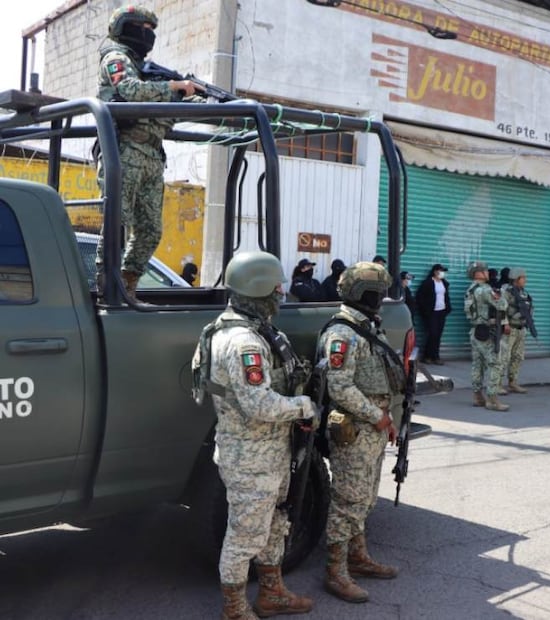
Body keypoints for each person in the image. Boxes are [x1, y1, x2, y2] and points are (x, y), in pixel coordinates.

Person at [190, 251, 317, 620]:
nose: (281, 294)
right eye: (277, 288)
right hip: (250, 457)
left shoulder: (247, 329)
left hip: (270, 451)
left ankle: (272, 593)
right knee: (244, 535)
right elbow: (258, 403)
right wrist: (304, 406)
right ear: (260, 289)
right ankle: (234, 609)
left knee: (275, 524)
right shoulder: (243, 341)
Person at [95, 5, 204, 301]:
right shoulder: (116, 59)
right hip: (124, 151)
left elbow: (169, 105)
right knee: (117, 224)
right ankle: (107, 287)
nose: (149, 36)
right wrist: (174, 86)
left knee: (150, 230)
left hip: (152, 155)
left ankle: (128, 284)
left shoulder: (146, 70)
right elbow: (130, 90)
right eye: (144, 29)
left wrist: (198, 98)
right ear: (127, 28)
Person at [316, 262, 403, 604]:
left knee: (365, 498)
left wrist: (386, 419)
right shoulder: (343, 333)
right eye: (379, 292)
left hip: (374, 425)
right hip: (355, 428)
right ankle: (336, 573)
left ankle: (358, 557)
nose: (382, 298)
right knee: (348, 501)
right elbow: (339, 387)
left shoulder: (367, 326)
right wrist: (376, 416)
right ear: (366, 294)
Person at [465, 261, 509, 411]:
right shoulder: (485, 290)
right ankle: (492, 399)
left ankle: (477, 396)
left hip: (475, 331)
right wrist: (501, 296)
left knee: (477, 364)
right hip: (487, 332)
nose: (488, 273)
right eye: (485, 270)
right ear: (479, 273)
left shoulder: (471, 289)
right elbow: (502, 305)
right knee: (496, 364)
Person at [501, 268, 535, 394]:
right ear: (516, 278)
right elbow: (501, 310)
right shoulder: (506, 292)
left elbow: (529, 308)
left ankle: (513, 382)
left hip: (521, 329)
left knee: (518, 357)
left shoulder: (524, 293)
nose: (525, 280)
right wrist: (505, 324)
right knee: (504, 357)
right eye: (523, 278)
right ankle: (497, 384)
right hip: (510, 329)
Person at [416, 263, 451, 365]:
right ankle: (427, 356)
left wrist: (447, 308)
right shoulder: (428, 283)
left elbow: (446, 296)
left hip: (441, 312)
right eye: (441, 271)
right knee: (433, 334)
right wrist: (425, 310)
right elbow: (420, 297)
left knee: (438, 335)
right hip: (431, 313)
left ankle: (436, 356)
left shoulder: (444, 283)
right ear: (435, 272)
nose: (443, 273)